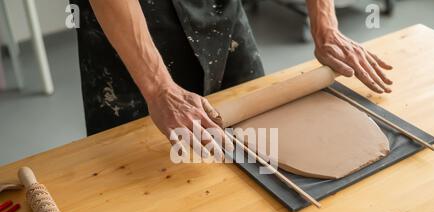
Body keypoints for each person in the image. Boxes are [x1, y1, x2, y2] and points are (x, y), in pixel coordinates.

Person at [73, 0, 392, 156]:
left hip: (216, 10)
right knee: (148, 171)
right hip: (129, 24)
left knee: (260, 149)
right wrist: (158, 89)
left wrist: (325, 25)